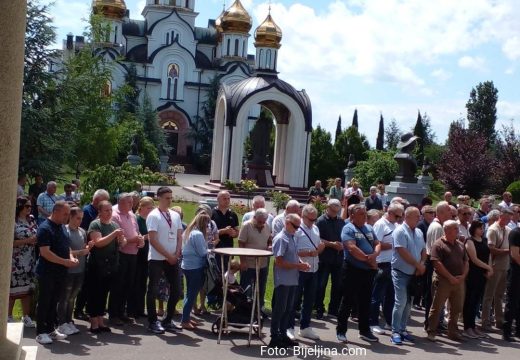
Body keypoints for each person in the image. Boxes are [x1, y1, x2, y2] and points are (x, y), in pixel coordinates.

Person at [35, 201, 79, 345]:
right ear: (56, 211)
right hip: (47, 272)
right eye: (65, 214)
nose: (68, 217)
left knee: (54, 301)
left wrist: (71, 257)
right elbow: (45, 253)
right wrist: (65, 262)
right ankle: (40, 332)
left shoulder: (61, 228)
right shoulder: (45, 228)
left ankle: (50, 329)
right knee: (44, 302)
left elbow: (67, 247)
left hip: (60, 272)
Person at [337, 204, 381, 344]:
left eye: (365, 213)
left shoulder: (369, 228)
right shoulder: (348, 228)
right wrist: (369, 260)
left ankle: (364, 331)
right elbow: (351, 248)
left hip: (367, 272)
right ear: (352, 216)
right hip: (352, 270)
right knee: (347, 301)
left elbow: (377, 242)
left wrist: (375, 254)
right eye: (361, 214)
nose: (364, 216)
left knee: (365, 301)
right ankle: (341, 331)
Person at [269, 214, 310, 348]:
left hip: (292, 278)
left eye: (299, 226)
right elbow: (279, 262)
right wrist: (299, 266)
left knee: (288, 309)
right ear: (287, 223)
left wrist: (300, 262)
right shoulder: (281, 238)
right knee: (280, 309)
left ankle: (283, 334)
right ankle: (274, 337)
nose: (297, 229)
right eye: (295, 226)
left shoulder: (292, 237)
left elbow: (293, 255)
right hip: (283, 279)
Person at [146, 186, 183, 334]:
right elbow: (153, 240)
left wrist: (177, 253)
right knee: (153, 289)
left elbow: (180, 235)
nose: (169, 200)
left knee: (177, 289)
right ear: (159, 198)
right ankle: (152, 321)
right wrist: (169, 255)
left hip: (172, 258)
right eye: (167, 198)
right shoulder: (154, 215)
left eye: (170, 197)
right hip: (157, 258)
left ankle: (167, 320)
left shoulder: (174, 215)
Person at [87, 201, 126, 333]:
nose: (109, 212)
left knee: (104, 294)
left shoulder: (114, 225)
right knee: (95, 293)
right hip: (97, 265)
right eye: (106, 210)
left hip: (111, 265)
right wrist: (114, 234)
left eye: (110, 210)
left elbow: (121, 242)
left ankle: (101, 320)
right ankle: (94, 322)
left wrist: (122, 240)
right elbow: (98, 243)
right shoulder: (95, 224)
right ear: (100, 212)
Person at [426, 220, 469, 342]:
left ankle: (453, 332)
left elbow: (466, 261)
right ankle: (431, 331)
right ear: (447, 230)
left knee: (457, 308)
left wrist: (463, 276)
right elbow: (436, 263)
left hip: (459, 281)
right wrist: (450, 277)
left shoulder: (460, 244)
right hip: (443, 281)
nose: (458, 231)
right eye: (455, 228)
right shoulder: (438, 244)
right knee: (437, 307)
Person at [390, 207, 426, 345]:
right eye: (417, 216)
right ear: (408, 216)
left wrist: (422, 264)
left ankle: (403, 330)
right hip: (401, 272)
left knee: (408, 303)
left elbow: (423, 250)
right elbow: (402, 251)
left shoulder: (418, 231)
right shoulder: (400, 231)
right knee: (400, 302)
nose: (419, 218)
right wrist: (418, 266)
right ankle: (395, 332)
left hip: (414, 274)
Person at [289, 205, 325, 341]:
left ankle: (305, 327)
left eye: (314, 219)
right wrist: (310, 252)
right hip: (300, 269)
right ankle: (289, 327)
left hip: (314, 269)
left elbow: (317, 248)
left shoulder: (315, 228)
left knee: (309, 300)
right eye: (310, 219)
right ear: (303, 216)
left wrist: (320, 249)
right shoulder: (297, 230)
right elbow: (292, 251)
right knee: (294, 299)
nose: (313, 222)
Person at [74, 189, 110, 321]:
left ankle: (90, 309)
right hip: (87, 250)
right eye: (104, 201)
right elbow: (84, 229)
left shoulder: (95, 211)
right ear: (96, 201)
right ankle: (78, 309)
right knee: (85, 284)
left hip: (96, 251)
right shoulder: (88, 211)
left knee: (92, 285)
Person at [369, 203, 404, 335]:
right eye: (397, 215)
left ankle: (389, 321)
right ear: (389, 212)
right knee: (377, 295)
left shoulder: (395, 225)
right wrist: (393, 245)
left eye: (401, 216)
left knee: (390, 295)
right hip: (382, 263)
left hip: (393, 264)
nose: (399, 218)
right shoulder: (380, 224)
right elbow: (375, 243)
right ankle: (372, 322)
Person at [110, 193, 145, 325]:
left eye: (132, 202)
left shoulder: (131, 214)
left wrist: (140, 239)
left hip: (133, 254)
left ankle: (122, 312)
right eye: (129, 202)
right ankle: (113, 314)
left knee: (128, 284)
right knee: (118, 285)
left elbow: (137, 231)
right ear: (120, 202)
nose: (132, 204)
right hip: (121, 254)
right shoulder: (115, 215)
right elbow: (119, 240)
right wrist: (134, 239)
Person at [57, 207, 91, 336]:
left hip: (80, 270)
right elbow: (65, 251)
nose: (80, 221)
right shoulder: (64, 231)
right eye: (77, 218)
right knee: (64, 297)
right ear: (70, 217)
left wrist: (88, 247)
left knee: (72, 298)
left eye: (81, 218)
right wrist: (81, 252)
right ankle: (61, 323)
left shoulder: (82, 231)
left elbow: (83, 247)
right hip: (68, 271)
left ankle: (68, 320)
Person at [481, 208, 512, 331]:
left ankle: (499, 320)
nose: (509, 221)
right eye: (507, 218)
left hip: (505, 266)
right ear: (501, 216)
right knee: (489, 295)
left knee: (499, 295)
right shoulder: (493, 229)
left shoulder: (507, 230)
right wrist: (508, 251)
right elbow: (491, 249)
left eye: (510, 218)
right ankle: (485, 321)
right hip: (494, 266)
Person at [9, 197, 37, 327]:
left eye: (30, 206)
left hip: (29, 260)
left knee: (27, 291)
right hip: (16, 262)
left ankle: (26, 317)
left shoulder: (31, 219)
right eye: (27, 206)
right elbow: (9, 242)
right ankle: (8, 317)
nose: (29, 208)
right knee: (13, 291)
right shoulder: (13, 222)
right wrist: (27, 241)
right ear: (19, 207)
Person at [423, 201, 451, 330]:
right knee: (434, 296)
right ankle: (431, 323)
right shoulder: (437, 227)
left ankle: (436, 322)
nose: (450, 213)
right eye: (448, 210)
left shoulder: (437, 225)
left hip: (435, 263)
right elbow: (437, 250)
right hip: (434, 264)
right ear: (440, 212)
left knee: (435, 296)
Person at [238, 208, 272, 314]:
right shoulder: (246, 226)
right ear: (254, 217)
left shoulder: (267, 226)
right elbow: (241, 243)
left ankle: (259, 309)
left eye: (263, 222)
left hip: (262, 264)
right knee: (246, 288)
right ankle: (244, 310)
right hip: (248, 263)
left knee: (261, 287)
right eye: (259, 221)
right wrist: (242, 261)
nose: (261, 224)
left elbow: (269, 240)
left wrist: (270, 246)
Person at [180, 212, 211, 329]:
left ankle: (186, 317)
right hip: (195, 267)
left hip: (187, 266)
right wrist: (210, 249)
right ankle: (184, 321)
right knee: (192, 295)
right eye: (208, 225)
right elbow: (202, 252)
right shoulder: (198, 234)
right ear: (204, 224)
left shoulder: (188, 231)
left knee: (189, 293)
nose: (209, 228)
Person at [462, 220, 492, 339]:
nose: (482, 230)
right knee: (470, 300)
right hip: (473, 274)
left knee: (476, 302)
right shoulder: (470, 241)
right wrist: (488, 267)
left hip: (482, 275)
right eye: (480, 228)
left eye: (483, 228)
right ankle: (467, 327)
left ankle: (473, 326)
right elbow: (474, 259)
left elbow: (489, 255)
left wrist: (488, 269)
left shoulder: (484, 240)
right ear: (474, 229)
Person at [315, 199, 344, 319]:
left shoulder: (341, 222)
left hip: (338, 259)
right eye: (333, 210)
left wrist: (343, 244)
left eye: (337, 211)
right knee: (321, 285)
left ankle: (333, 309)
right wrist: (332, 244)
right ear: (328, 208)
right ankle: (319, 308)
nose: (334, 213)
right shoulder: (320, 221)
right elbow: (317, 239)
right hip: (324, 258)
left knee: (337, 285)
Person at [129, 196, 155, 318]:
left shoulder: (151, 219)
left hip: (148, 255)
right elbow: (137, 236)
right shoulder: (137, 219)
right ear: (142, 207)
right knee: (135, 282)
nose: (151, 210)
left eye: (152, 207)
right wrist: (147, 237)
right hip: (138, 254)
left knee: (143, 283)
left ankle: (140, 308)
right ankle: (132, 309)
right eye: (149, 207)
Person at [193, 204, 219, 315]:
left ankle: (202, 304)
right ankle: (193, 307)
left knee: (205, 282)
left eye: (206, 212)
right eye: (201, 212)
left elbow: (217, 238)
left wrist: (214, 243)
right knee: (194, 283)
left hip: (209, 256)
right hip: (196, 257)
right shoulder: (194, 225)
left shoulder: (212, 224)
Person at [211, 190, 239, 271]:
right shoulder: (212, 213)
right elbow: (208, 233)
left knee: (227, 273)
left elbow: (237, 232)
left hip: (229, 249)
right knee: (217, 273)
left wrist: (234, 234)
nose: (227, 201)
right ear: (218, 199)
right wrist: (223, 231)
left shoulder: (233, 214)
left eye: (228, 198)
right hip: (215, 250)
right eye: (224, 199)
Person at [503, 225, 520, 341]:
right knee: (512, 301)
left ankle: (518, 330)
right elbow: (515, 255)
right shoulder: (516, 233)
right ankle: (507, 332)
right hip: (516, 272)